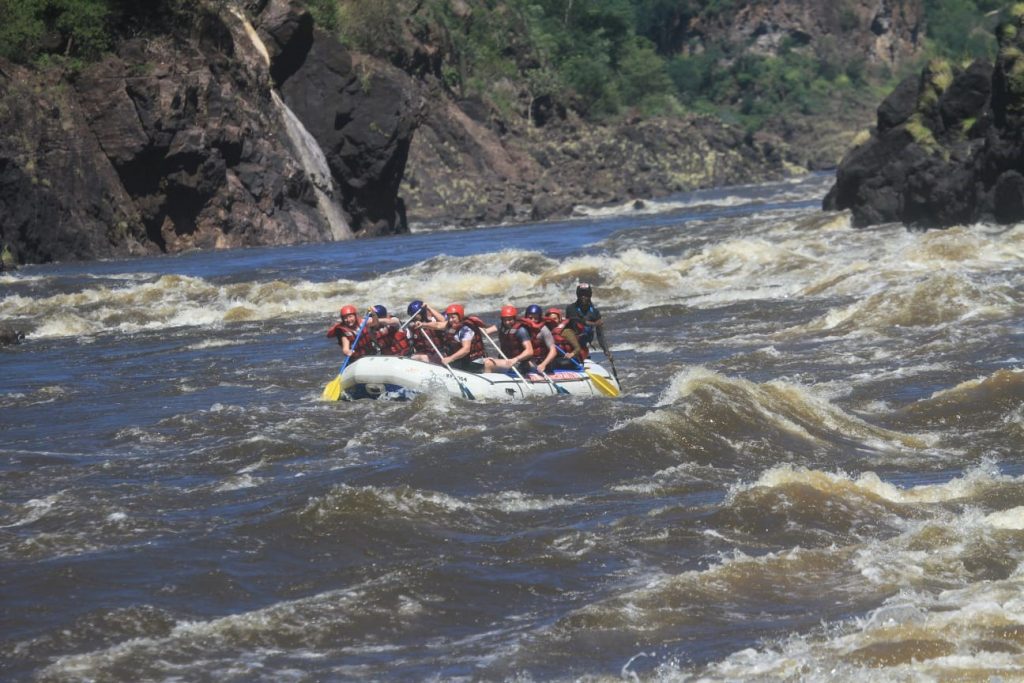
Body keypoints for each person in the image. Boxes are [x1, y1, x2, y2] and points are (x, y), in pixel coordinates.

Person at [414, 303, 486, 373]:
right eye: (449, 317)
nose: (451, 320)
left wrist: (450, 359)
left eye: (453, 317)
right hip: (462, 360)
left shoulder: (466, 329)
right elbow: (438, 325)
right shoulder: (452, 324)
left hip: (473, 362)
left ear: (459, 316)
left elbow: (466, 349)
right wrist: (423, 324)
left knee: (442, 368)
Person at [482, 305, 534, 375]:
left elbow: (529, 351)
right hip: (505, 360)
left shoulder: (521, 331)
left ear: (514, 318)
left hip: (518, 363)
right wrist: (477, 328)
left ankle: (488, 385)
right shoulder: (501, 326)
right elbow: (486, 331)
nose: (507, 322)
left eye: (510, 319)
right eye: (505, 320)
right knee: (482, 361)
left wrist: (515, 359)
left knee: (489, 363)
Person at [521, 304, 558, 374]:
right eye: (530, 318)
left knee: (525, 366)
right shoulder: (522, 328)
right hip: (528, 361)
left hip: (543, 362)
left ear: (540, 318)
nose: (533, 320)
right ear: (526, 317)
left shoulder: (544, 330)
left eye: (536, 318)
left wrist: (543, 364)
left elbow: (553, 351)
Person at [565, 282, 603, 349]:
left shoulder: (594, 312)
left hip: (584, 345)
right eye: (581, 294)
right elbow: (575, 321)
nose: (583, 297)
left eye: (586, 294)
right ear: (577, 295)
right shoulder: (570, 308)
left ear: (590, 295)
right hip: (570, 343)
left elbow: (600, 334)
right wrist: (594, 323)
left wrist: (606, 351)